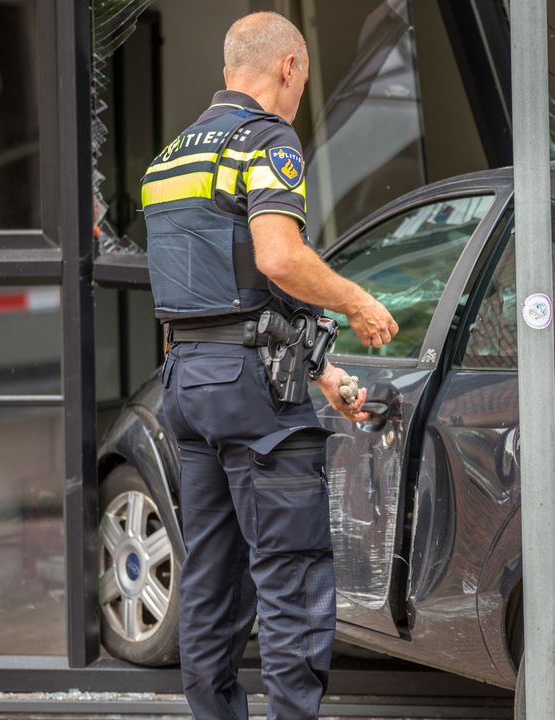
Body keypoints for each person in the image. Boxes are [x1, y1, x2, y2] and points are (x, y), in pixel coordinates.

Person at [140, 12, 398, 720]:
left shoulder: (169, 160)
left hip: (188, 383)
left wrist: (323, 376)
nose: (297, 95)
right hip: (250, 395)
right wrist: (356, 302)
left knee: (210, 580)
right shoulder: (266, 140)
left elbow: (237, 297)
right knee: (290, 577)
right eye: (302, 79)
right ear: (289, 68)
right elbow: (277, 260)